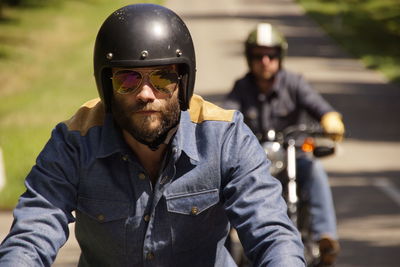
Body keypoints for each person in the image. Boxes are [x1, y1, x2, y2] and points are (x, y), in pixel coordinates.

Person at [0, 4, 306, 267]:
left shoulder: (225, 136)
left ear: (183, 82)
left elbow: (272, 234)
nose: (146, 94)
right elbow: (31, 236)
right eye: (128, 79)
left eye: (162, 78)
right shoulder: (74, 142)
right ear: (107, 86)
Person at [224, 23, 345, 266]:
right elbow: (227, 116)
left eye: (272, 55)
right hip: (256, 161)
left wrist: (329, 118)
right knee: (224, 185)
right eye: (258, 55)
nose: (265, 60)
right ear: (250, 58)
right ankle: (223, 251)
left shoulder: (294, 83)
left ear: (281, 56)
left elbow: (318, 105)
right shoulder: (241, 87)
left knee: (314, 169)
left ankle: (325, 237)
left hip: (293, 156)